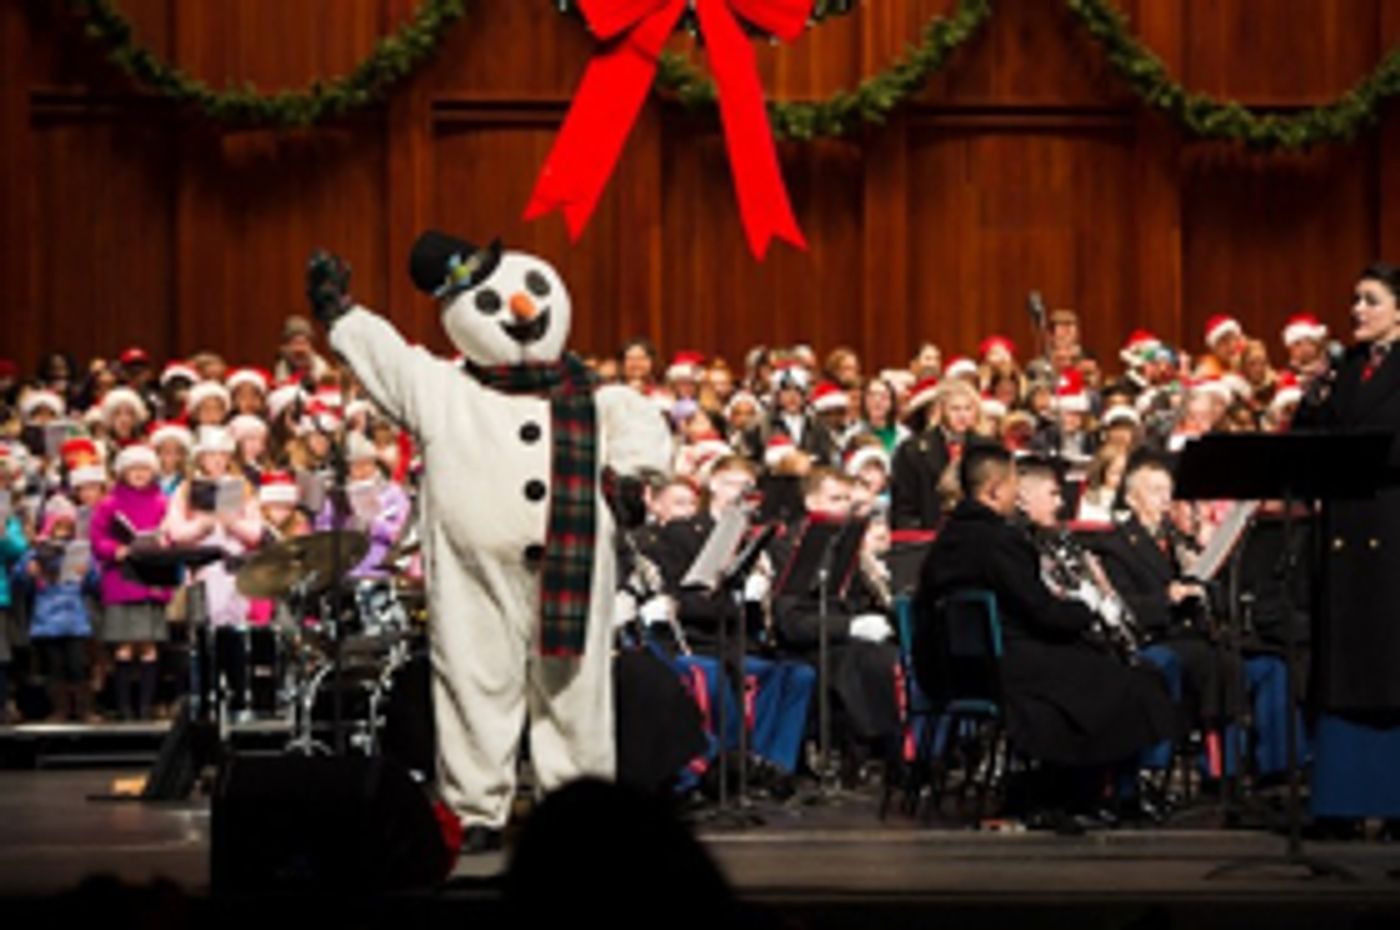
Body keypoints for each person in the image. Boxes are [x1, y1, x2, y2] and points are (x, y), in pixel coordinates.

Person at [914, 447, 1179, 825]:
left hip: (958, 665)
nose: (1016, 496)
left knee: (1099, 672)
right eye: (1011, 486)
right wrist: (1086, 609)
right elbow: (1041, 611)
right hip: (1005, 664)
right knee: (1126, 678)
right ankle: (1094, 792)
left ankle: (1085, 790)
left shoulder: (949, 538)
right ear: (992, 490)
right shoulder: (998, 541)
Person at [1293, 261, 1400, 830]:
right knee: (1342, 663)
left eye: (1371, 300)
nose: (1356, 309)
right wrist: (1312, 401)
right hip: (1341, 530)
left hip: (1390, 527)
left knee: (1388, 664)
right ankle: (1342, 800)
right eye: (1355, 298)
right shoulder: (1349, 366)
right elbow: (1310, 443)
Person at [89, 445, 169, 720]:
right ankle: (124, 708)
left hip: (152, 579)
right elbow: (97, 539)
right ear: (122, 472)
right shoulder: (109, 503)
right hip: (122, 580)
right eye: (133, 469)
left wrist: (161, 544)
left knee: (148, 645)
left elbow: (170, 534)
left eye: (144, 469)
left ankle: (145, 708)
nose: (139, 474)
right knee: (124, 646)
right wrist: (116, 550)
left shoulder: (162, 502)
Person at [18, 499, 98, 722]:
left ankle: (84, 709)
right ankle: (60, 709)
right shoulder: (36, 552)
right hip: (47, 617)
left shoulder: (80, 550)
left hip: (74, 617)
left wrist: (88, 573)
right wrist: (29, 573)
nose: (63, 532)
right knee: (55, 667)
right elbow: (21, 582)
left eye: (67, 527)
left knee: (78, 664)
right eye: (59, 526)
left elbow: (94, 584)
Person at [890, 378, 981, 529]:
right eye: (955, 409)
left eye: (968, 409)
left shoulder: (986, 448)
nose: (962, 415)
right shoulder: (913, 451)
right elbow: (903, 507)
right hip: (928, 535)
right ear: (942, 410)